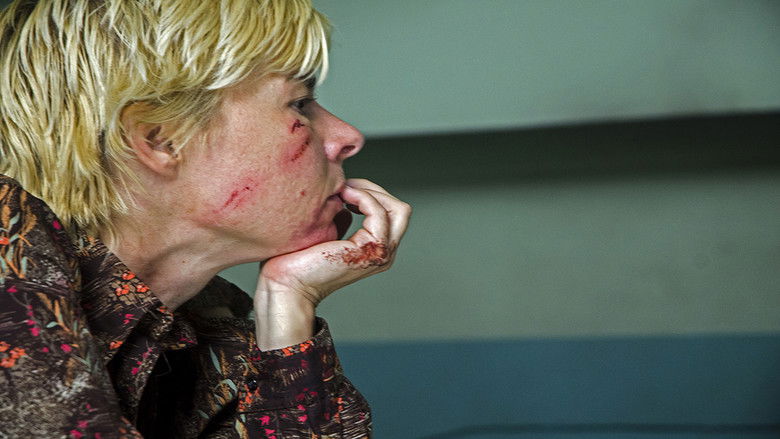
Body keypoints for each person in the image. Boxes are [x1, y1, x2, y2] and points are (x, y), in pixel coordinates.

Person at [0, 0, 411, 437]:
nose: (349, 137)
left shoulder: (198, 331)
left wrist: (289, 300)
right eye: (300, 103)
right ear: (163, 140)